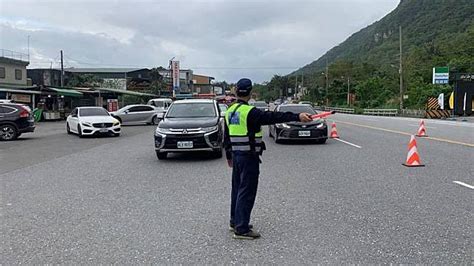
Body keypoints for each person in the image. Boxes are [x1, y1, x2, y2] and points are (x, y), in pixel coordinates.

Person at [224, 78, 313, 240]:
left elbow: (226, 138)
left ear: (236, 92)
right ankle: (242, 229)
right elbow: (274, 116)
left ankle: (235, 221)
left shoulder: (230, 111)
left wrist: (229, 156)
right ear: (251, 93)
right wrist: (298, 116)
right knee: (247, 191)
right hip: (249, 157)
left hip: (237, 155)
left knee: (237, 189)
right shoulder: (251, 112)